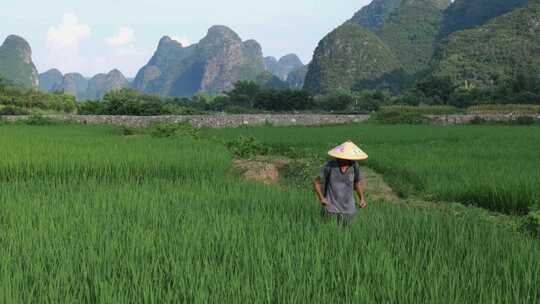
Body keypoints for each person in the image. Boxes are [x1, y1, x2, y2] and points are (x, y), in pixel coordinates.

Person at [313, 140, 368, 225]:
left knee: (348, 235)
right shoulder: (330, 166)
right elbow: (316, 183)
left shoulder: (354, 166)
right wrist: (322, 198)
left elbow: (357, 182)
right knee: (328, 233)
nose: (348, 159)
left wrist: (362, 198)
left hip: (349, 209)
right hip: (331, 209)